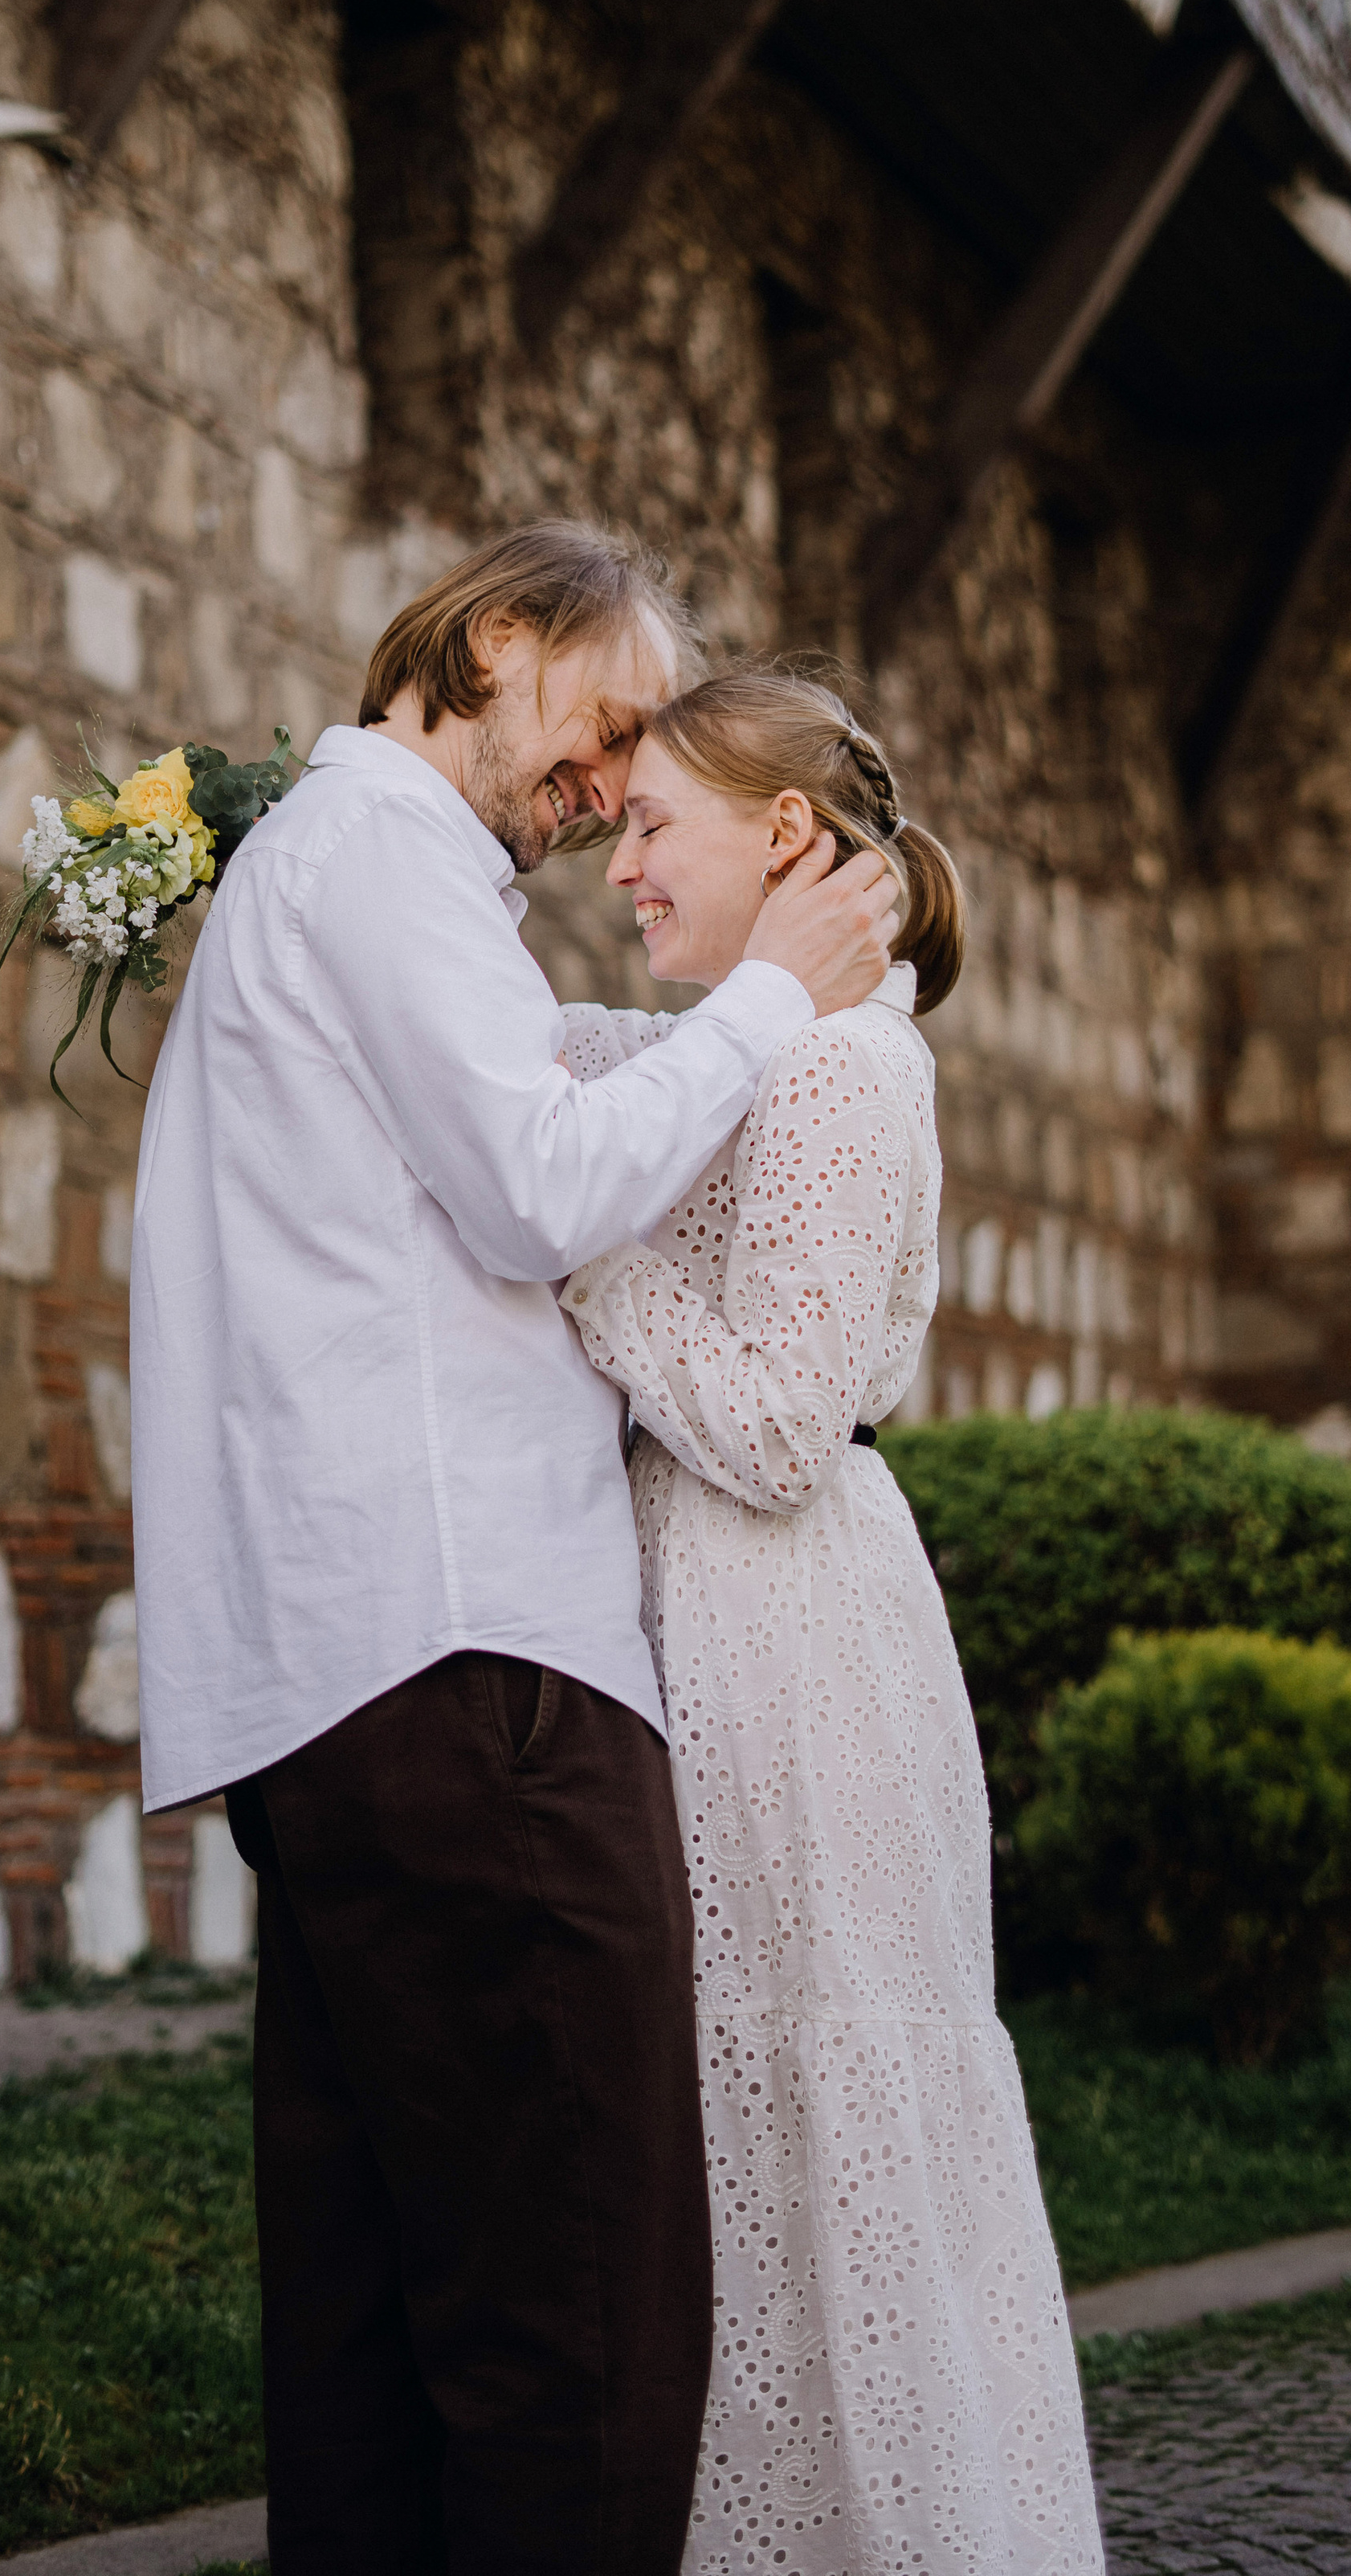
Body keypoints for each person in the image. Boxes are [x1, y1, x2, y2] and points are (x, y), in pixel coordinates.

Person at [127, 525, 900, 2576]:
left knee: (379, 2342)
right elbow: (541, 1188)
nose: (608, 782)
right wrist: (763, 1004)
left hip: (351, 1683)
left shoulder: (350, 878)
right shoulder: (376, 853)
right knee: (576, 2322)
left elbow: (530, 1094)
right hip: (474, 1681)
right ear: (493, 642)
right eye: (608, 718)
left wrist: (748, 1037)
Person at [557, 669, 1105, 2576]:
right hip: (727, 1623)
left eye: (651, 825)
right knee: (734, 2126)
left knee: (811, 2109)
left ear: (782, 835)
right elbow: (553, 1054)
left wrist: (580, 1255)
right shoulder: (749, 1043)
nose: (616, 863)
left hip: (781, 1639)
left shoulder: (842, 1067)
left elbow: (780, 1427)